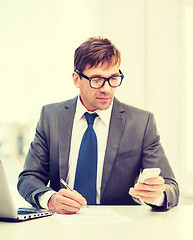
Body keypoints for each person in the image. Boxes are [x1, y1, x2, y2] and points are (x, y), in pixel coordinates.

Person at [17, 37, 179, 214]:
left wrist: (156, 195)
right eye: (97, 79)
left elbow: (171, 188)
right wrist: (50, 199)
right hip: (62, 225)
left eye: (113, 78)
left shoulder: (141, 122)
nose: (107, 89)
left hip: (120, 228)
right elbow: (29, 177)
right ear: (76, 79)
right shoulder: (51, 117)